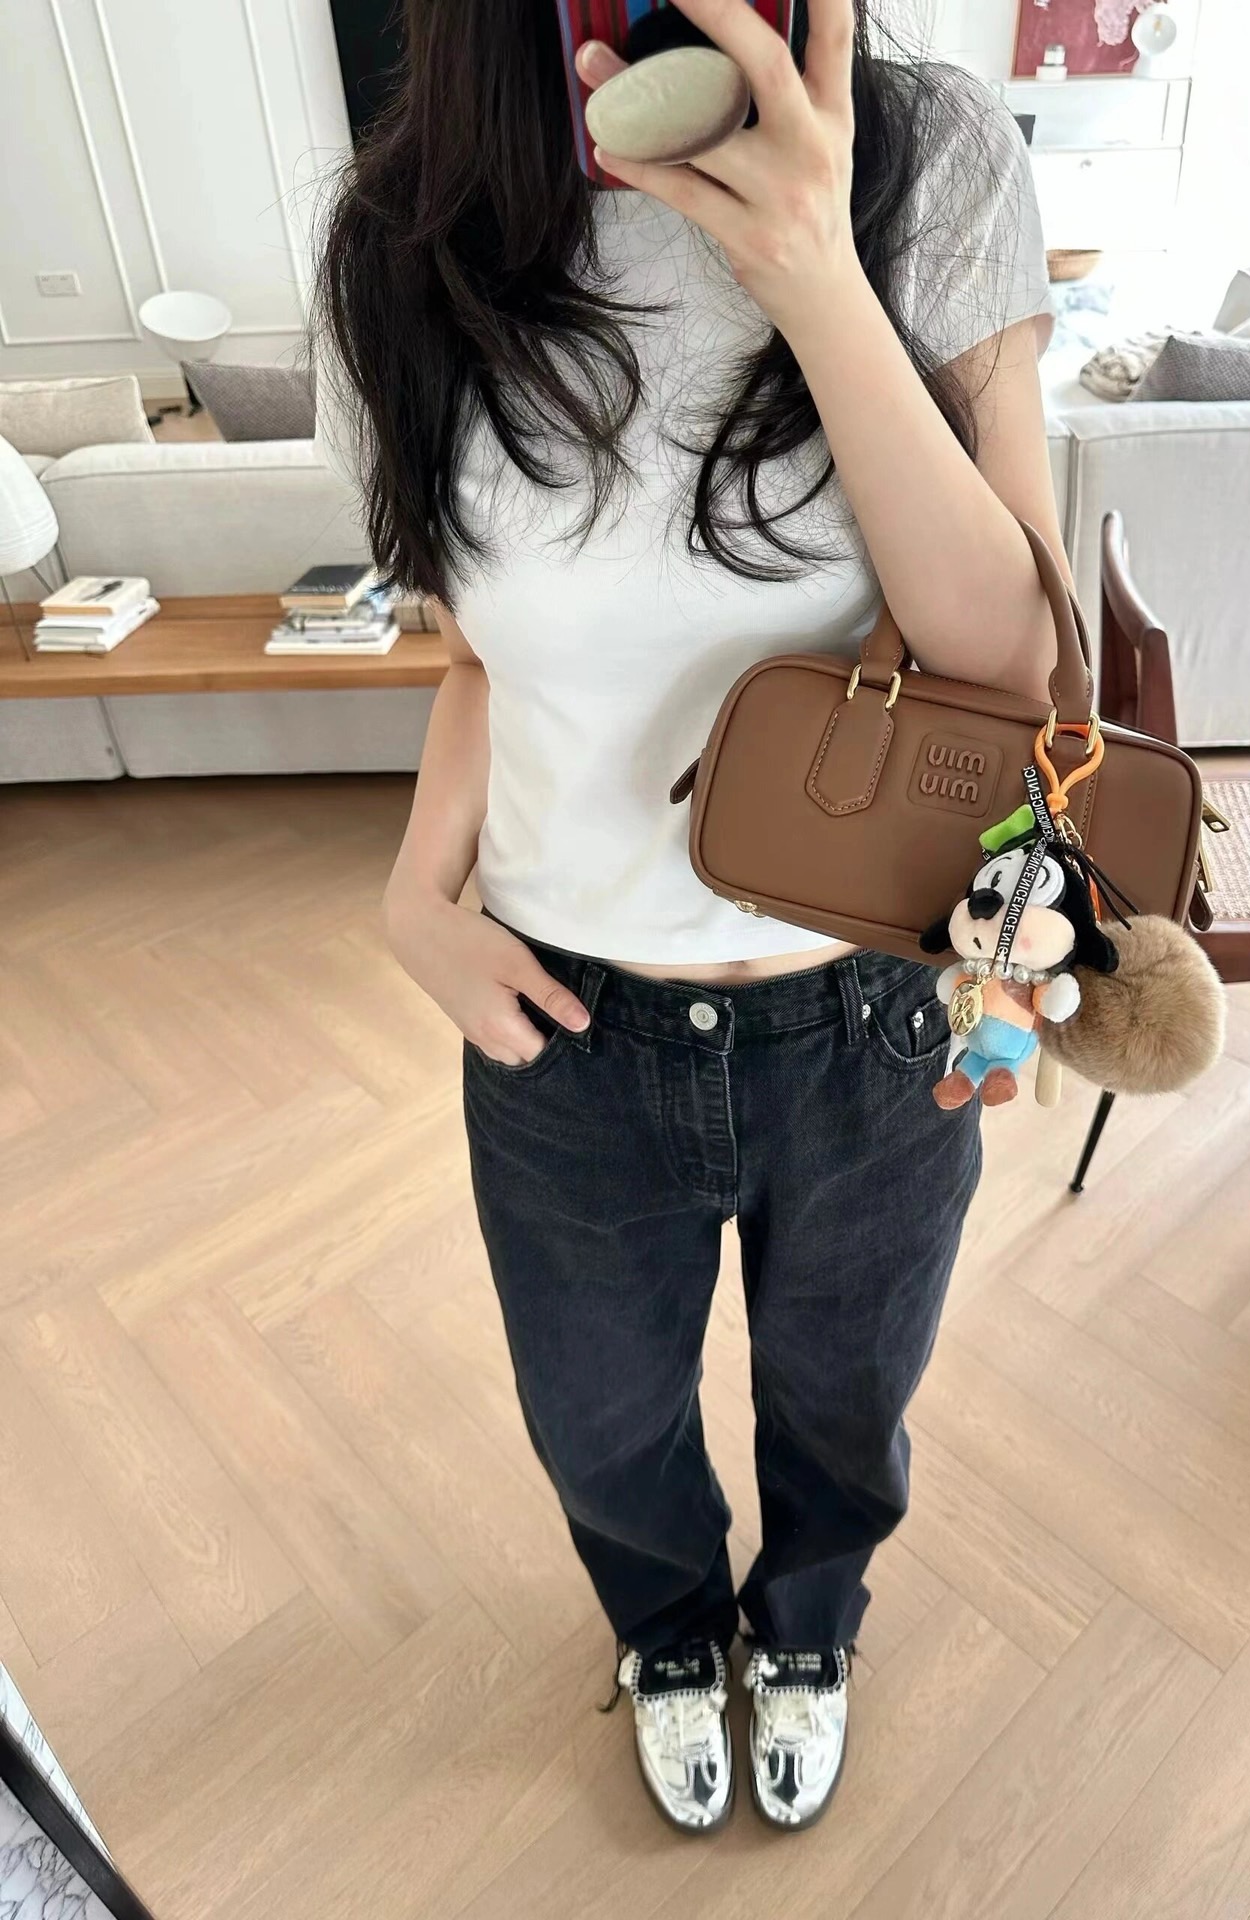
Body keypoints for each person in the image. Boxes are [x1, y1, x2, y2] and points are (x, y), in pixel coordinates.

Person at [314, 0, 1064, 1838]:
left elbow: (1006, 655)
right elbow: (483, 653)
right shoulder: (403, 243)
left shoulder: (932, 164)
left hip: (875, 1012)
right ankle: (666, 1634)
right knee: (600, 1422)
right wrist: (414, 896)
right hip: (567, 1021)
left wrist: (813, 272)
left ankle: (805, 1630)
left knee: (845, 1403)